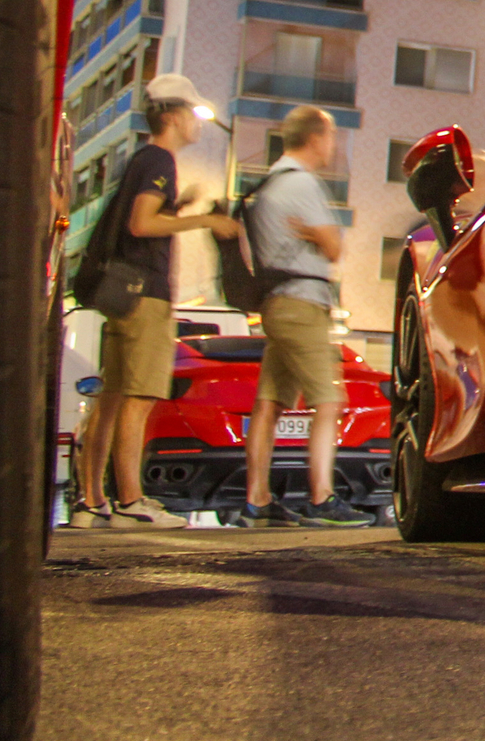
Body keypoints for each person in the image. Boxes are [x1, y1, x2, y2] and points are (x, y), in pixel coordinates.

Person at [71, 75, 244, 530]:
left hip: (124, 296)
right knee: (138, 398)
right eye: (191, 113)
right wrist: (204, 219)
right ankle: (131, 501)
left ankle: (91, 501)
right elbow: (141, 224)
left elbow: (141, 220)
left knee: (111, 398)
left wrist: (177, 210)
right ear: (171, 116)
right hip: (144, 297)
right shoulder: (158, 159)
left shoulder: (144, 161)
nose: (196, 122)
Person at [238, 105, 373, 528]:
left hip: (275, 304)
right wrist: (319, 234)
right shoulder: (302, 184)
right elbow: (334, 249)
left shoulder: (269, 183)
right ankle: (321, 498)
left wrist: (313, 234)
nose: (333, 146)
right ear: (316, 138)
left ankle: (257, 500)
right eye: (331, 136)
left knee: (269, 403)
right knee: (330, 401)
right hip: (302, 304)